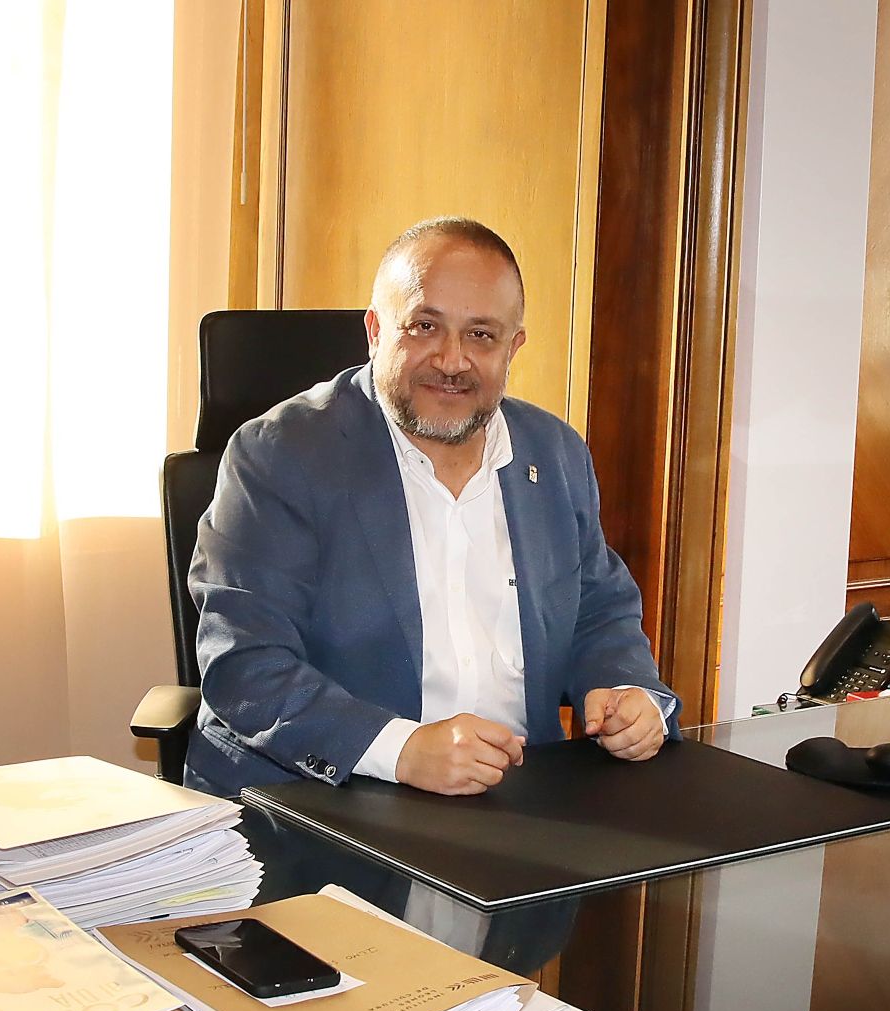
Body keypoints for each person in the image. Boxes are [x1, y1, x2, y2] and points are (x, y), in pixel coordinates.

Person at [185, 217, 679, 798]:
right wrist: (400, 750)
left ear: (513, 346)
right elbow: (246, 661)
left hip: (522, 799)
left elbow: (599, 609)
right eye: (424, 326)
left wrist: (628, 693)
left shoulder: (554, 452)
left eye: (481, 335)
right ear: (374, 331)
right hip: (328, 797)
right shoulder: (278, 455)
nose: (451, 360)